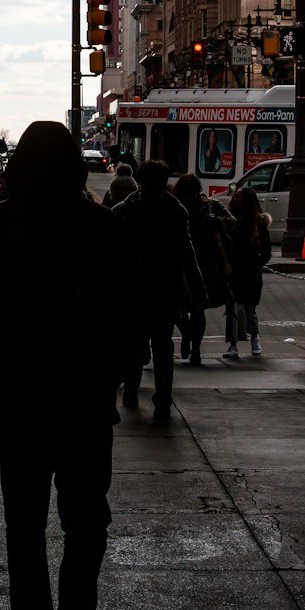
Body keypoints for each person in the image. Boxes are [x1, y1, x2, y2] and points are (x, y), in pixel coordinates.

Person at [0, 121, 142, 610]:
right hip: (84, 402)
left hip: (19, 400)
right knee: (87, 524)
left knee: (25, 526)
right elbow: (129, 318)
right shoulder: (107, 230)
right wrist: (111, 374)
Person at [112, 160, 206, 418]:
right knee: (163, 346)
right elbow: (188, 255)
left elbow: (113, 258)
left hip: (134, 290)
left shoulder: (124, 210)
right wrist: (197, 292)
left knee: (133, 344)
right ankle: (163, 398)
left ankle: (131, 392)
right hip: (166, 288)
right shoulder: (175, 211)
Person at [171, 173, 235, 366]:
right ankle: (187, 334)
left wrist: (219, 222)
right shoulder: (175, 207)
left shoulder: (210, 206)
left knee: (197, 309)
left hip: (204, 265)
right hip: (182, 264)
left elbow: (231, 221)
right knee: (177, 309)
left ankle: (195, 348)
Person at [221, 186, 272, 358]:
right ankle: (234, 344)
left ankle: (254, 338)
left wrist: (256, 264)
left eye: (239, 197)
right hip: (236, 270)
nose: (235, 199)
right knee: (233, 309)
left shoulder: (258, 223)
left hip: (249, 271)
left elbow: (266, 252)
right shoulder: (231, 220)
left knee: (250, 310)